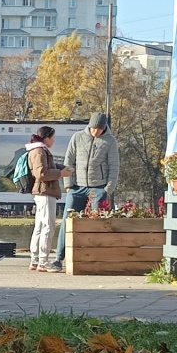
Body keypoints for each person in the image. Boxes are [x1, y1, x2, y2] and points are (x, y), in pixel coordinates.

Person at [51, 112, 120, 272]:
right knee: (68, 221)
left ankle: (97, 258)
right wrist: (68, 185)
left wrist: (108, 189)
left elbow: (114, 166)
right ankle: (58, 258)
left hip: (99, 187)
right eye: (94, 128)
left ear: (104, 128)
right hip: (77, 187)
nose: (96, 132)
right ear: (89, 125)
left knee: (98, 223)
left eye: (100, 129)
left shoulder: (110, 141)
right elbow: (69, 160)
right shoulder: (77, 137)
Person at [26, 126, 73, 272]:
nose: (54, 140)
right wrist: (61, 173)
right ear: (47, 138)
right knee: (48, 227)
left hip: (42, 193)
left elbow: (48, 167)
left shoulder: (38, 150)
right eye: (53, 137)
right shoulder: (40, 151)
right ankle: (43, 262)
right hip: (45, 192)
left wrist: (64, 168)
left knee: (40, 227)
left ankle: (35, 260)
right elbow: (42, 173)